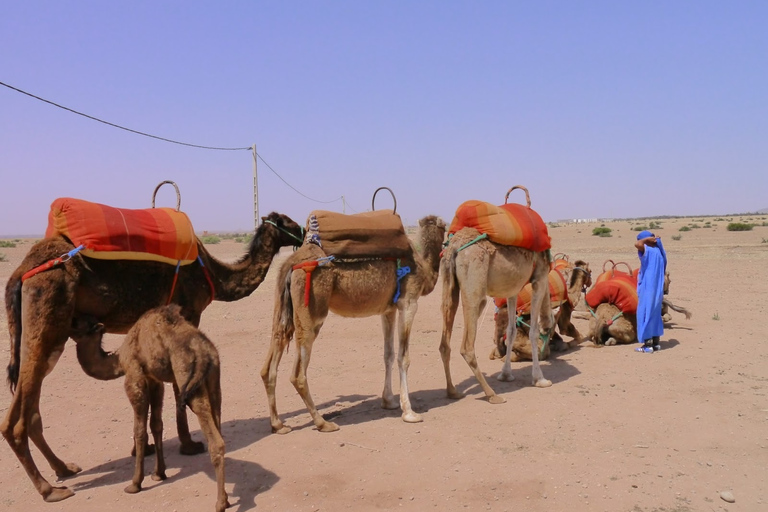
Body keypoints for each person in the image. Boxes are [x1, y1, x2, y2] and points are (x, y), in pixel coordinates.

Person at [634, 230, 667, 353]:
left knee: (644, 312)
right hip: (657, 287)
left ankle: (647, 345)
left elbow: (637, 244)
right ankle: (656, 343)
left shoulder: (647, 250)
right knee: (655, 312)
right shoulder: (659, 252)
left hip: (648, 286)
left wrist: (646, 240)